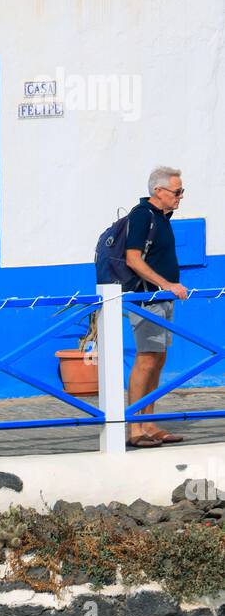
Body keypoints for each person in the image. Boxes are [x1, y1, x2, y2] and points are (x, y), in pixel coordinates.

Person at [124, 167, 189, 448]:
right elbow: (133, 259)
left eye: (181, 191)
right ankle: (134, 427)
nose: (180, 197)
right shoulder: (142, 216)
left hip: (162, 299)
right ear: (158, 191)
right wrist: (165, 284)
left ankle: (148, 423)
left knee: (157, 360)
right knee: (146, 359)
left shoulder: (163, 218)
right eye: (177, 192)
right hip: (146, 299)